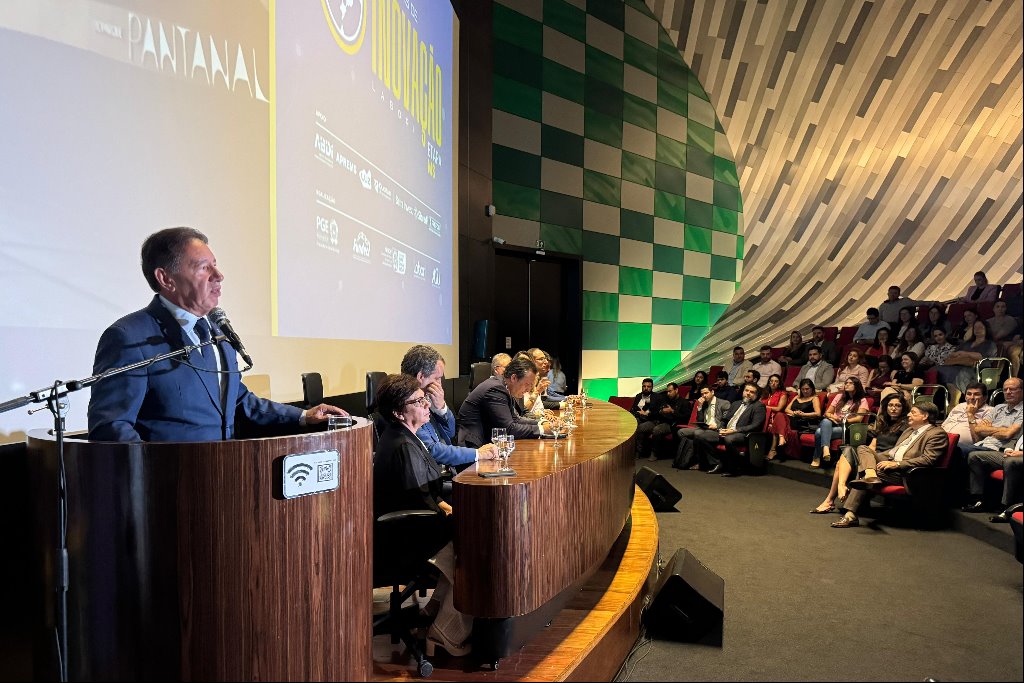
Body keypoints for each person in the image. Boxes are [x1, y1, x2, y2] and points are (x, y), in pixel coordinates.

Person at [87, 227, 345, 442]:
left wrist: (302, 417)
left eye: (215, 266)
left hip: (222, 480)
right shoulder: (130, 337)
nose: (219, 276)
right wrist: (157, 476)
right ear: (166, 279)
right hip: (168, 489)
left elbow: (237, 400)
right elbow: (111, 428)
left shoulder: (217, 331)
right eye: (203, 268)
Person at [370, 373, 472, 657]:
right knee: (473, 553)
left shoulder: (407, 437)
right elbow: (419, 504)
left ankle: (433, 613)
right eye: (418, 401)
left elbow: (427, 494)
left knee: (468, 538)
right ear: (398, 412)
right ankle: (447, 631)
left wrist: (448, 509)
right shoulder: (403, 446)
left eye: (424, 399)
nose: (427, 405)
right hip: (404, 541)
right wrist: (455, 517)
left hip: (412, 529)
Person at [830, 402, 948, 528]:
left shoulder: (937, 434)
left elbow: (928, 459)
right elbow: (892, 452)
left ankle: (850, 514)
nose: (908, 415)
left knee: (867, 471)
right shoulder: (909, 430)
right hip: (892, 465)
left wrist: (897, 464)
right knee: (863, 448)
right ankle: (870, 474)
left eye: (913, 412)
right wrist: (876, 458)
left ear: (925, 416)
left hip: (908, 474)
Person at [811, 393, 909, 514]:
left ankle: (830, 500)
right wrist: (864, 456)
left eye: (898, 406)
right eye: (890, 405)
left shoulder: (905, 426)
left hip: (887, 459)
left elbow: (898, 450)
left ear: (903, 408)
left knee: (843, 461)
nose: (893, 408)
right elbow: (873, 446)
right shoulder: (883, 423)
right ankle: (839, 489)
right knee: (847, 450)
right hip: (872, 457)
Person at [400, 345, 497, 467]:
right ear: (421, 377)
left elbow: (450, 433)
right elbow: (432, 450)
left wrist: (441, 408)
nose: (440, 383)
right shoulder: (408, 405)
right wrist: (478, 453)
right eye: (438, 378)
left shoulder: (426, 398)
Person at [960, 378, 1023, 522]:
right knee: (971, 455)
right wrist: (999, 430)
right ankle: (978, 499)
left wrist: (989, 430)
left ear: (1021, 391)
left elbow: (1008, 434)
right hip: (984, 446)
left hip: (1002, 450)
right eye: (1005, 389)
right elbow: (978, 430)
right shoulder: (998, 408)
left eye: (1012, 389)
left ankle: (1005, 507)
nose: (1008, 392)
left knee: (964, 451)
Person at [457, 355, 552, 447]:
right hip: (474, 446)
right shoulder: (496, 389)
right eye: (527, 384)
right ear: (514, 378)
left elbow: (515, 419)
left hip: (488, 442)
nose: (528, 389)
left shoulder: (504, 386)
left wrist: (541, 422)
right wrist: (542, 429)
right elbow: (508, 429)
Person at [699, 382, 767, 477]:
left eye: (752, 392)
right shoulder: (736, 403)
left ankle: (733, 469)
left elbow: (756, 425)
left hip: (743, 434)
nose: (748, 393)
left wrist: (734, 430)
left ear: (756, 395)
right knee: (702, 436)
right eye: (746, 390)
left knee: (729, 439)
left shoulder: (758, 406)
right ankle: (717, 463)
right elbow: (725, 420)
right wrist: (722, 428)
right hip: (727, 431)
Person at [811, 377, 869, 468]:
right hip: (833, 423)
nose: (847, 385)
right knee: (826, 420)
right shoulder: (839, 396)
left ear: (857, 386)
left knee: (819, 432)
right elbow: (827, 413)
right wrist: (834, 417)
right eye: (846, 383)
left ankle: (817, 457)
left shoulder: (862, 400)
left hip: (846, 427)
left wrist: (844, 420)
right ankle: (826, 449)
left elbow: (859, 419)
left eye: (850, 383)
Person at [937, 319, 998, 402]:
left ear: (986, 329)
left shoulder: (990, 344)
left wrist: (963, 353)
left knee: (957, 373)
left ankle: (954, 399)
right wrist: (965, 358)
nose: (977, 329)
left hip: (979, 370)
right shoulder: (967, 343)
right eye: (975, 327)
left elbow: (980, 356)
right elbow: (953, 355)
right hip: (959, 366)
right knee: (938, 369)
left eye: (980, 327)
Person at [673, 386, 730, 470]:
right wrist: (699, 407)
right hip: (704, 428)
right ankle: (687, 458)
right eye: (702, 394)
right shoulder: (704, 404)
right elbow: (699, 420)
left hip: (716, 429)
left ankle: (699, 461)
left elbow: (726, 420)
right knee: (681, 432)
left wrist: (717, 426)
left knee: (697, 434)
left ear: (712, 392)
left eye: (706, 393)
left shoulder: (724, 403)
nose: (704, 396)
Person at [642, 383, 690, 461]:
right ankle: (639, 452)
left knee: (657, 429)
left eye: (670, 391)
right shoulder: (665, 399)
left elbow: (685, 418)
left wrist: (672, 411)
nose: (668, 393)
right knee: (641, 427)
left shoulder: (684, 402)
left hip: (671, 423)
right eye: (667, 391)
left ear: (676, 390)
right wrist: (661, 411)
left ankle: (654, 453)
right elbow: (655, 410)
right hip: (658, 420)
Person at [783, 379, 823, 459]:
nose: (805, 391)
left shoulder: (814, 398)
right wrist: (794, 413)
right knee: (780, 415)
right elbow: (786, 409)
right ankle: (780, 437)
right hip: (794, 419)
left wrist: (803, 414)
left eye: (807, 389)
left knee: (781, 419)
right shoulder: (797, 397)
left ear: (812, 389)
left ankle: (780, 439)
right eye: (803, 389)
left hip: (805, 422)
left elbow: (818, 413)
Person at [632, 378, 663, 459]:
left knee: (640, 428)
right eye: (644, 386)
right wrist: (639, 413)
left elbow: (658, 413)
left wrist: (646, 414)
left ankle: (638, 452)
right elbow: (634, 409)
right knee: (632, 425)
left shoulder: (657, 397)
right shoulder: (639, 396)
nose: (646, 388)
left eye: (648, 386)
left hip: (652, 420)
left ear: (652, 387)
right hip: (639, 418)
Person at [763, 374, 789, 460]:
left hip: (778, 417)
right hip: (765, 416)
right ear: (769, 383)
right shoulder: (765, 393)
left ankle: (773, 449)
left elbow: (779, 408)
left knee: (778, 417)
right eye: (771, 381)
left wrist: (765, 407)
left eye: (776, 381)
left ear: (779, 383)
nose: (773, 383)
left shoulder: (782, 394)